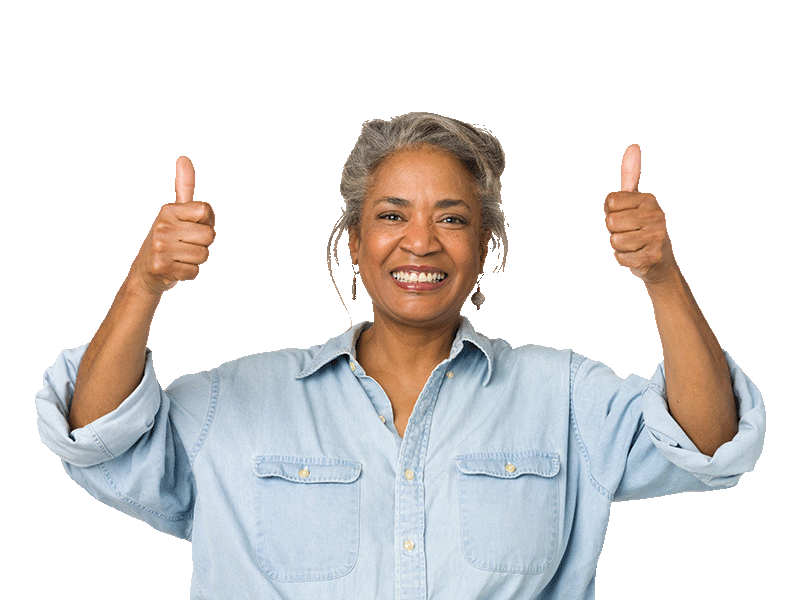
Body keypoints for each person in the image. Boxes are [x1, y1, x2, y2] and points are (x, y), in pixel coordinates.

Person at [36, 112, 765, 599]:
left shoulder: (564, 397)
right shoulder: (237, 402)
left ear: (487, 247)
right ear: (355, 242)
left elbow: (708, 441)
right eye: (391, 216)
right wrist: (146, 282)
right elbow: (96, 438)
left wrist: (660, 275)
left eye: (452, 218)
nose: (420, 242)